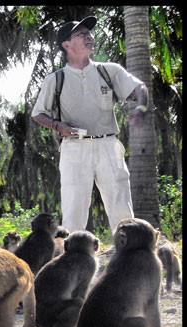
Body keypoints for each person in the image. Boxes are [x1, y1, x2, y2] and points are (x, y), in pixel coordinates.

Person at [31, 15, 149, 233]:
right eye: (81, 33)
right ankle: (72, 261)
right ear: (67, 44)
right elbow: (38, 114)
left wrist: (140, 109)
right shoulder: (56, 79)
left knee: (121, 207)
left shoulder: (109, 71)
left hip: (109, 145)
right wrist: (59, 126)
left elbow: (139, 89)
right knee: (73, 210)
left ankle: (129, 256)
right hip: (74, 148)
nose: (89, 36)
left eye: (89, 32)